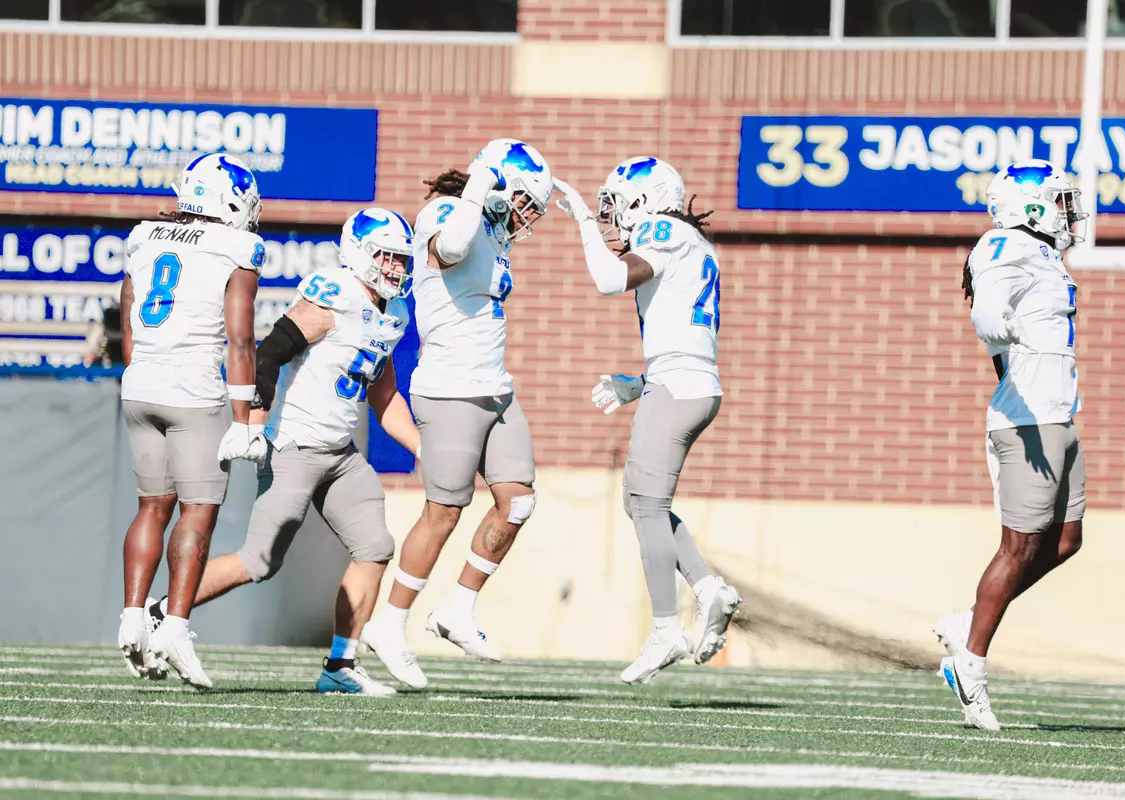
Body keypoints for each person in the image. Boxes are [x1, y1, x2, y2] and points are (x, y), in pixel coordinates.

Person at [147, 208, 420, 695]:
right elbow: (270, 350)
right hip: (294, 443)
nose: (397, 268)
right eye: (388, 257)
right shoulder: (334, 295)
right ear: (360, 255)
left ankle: (340, 666)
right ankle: (162, 614)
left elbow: (383, 394)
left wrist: (426, 448)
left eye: (402, 259)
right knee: (259, 561)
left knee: (375, 547)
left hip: (340, 452)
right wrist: (252, 419)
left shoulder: (394, 312)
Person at [362, 139, 552, 690]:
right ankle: (389, 624)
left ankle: (458, 608)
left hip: (495, 388)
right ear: (497, 185)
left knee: (518, 501)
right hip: (449, 391)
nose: (526, 219)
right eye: (524, 203)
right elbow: (446, 250)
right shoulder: (449, 211)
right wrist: (478, 183)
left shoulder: (490, 228)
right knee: (443, 512)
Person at [553, 157, 742, 684]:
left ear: (645, 199)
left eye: (616, 204)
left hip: (679, 389)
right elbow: (683, 333)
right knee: (641, 504)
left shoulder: (663, 229)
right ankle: (709, 590)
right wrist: (640, 383)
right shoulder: (684, 239)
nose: (611, 214)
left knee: (647, 505)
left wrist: (584, 223)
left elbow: (610, 280)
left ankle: (666, 629)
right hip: (682, 381)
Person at [937, 160, 1088, 730]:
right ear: (1031, 206)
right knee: (1017, 548)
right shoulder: (1005, 244)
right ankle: (969, 667)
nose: (1069, 210)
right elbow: (987, 313)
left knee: (1067, 540)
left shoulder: (1046, 254)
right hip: (1026, 422)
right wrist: (1001, 326)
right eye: (1059, 200)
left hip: (1059, 414)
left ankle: (965, 623)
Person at [118, 153, 266, 688]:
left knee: (150, 507)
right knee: (198, 513)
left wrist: (142, 369)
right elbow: (241, 338)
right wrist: (245, 418)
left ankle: (132, 616)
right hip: (193, 388)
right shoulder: (237, 248)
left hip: (140, 386)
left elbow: (129, 310)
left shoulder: (145, 236)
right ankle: (174, 626)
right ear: (228, 202)